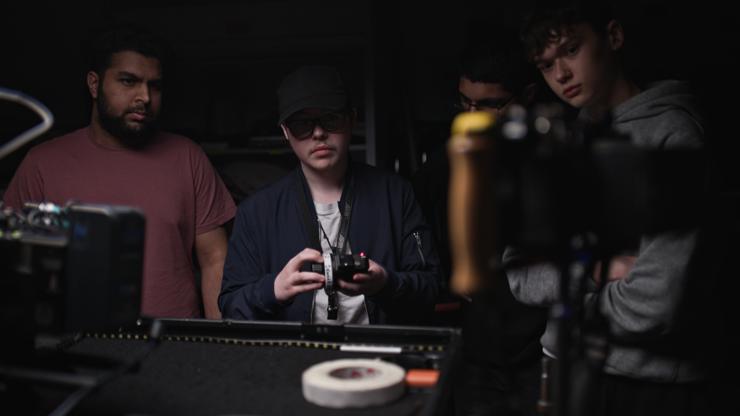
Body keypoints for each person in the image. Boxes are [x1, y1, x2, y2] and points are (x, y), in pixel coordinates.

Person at [506, 2, 713, 415]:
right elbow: (518, 272)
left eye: (571, 49)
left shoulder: (674, 132)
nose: (561, 74)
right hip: (561, 366)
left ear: (613, 37)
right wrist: (603, 269)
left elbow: (657, 302)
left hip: (647, 381)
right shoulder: (559, 140)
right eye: (546, 65)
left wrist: (565, 289)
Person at [2, 27, 236, 319]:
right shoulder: (42, 162)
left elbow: (215, 258)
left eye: (155, 86)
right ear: (93, 84)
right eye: (129, 81)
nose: (145, 97)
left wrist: (218, 342)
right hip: (73, 343)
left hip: (173, 343)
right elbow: (12, 263)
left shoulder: (188, 157)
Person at [219, 65, 440, 324]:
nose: (319, 133)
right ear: (285, 132)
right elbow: (231, 307)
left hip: (379, 350)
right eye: (302, 124)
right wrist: (274, 290)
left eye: (331, 119)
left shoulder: (396, 194)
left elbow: (431, 288)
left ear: (352, 119)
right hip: (293, 354)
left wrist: (385, 282)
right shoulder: (257, 212)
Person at [412, 35, 550, 416]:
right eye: (465, 102)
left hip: (542, 347)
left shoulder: (553, 161)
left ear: (527, 96)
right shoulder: (444, 164)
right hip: (475, 347)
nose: (472, 114)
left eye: (489, 105)